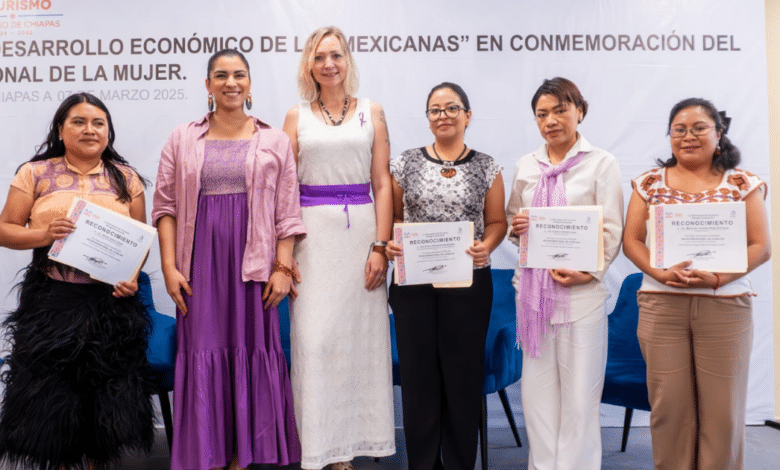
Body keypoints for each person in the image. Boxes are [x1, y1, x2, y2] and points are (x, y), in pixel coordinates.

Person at [152, 49, 304, 470]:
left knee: (250, 347)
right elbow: (165, 207)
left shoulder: (274, 140)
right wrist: (168, 267)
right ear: (208, 85)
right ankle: (208, 451)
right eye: (221, 76)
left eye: (239, 75)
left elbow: (288, 213)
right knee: (203, 347)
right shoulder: (181, 137)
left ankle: (244, 453)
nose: (230, 83)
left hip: (254, 266)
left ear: (250, 84)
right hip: (198, 264)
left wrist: (282, 267)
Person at [0, 93, 154, 470]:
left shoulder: (127, 178)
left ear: (108, 131)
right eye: (79, 121)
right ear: (60, 129)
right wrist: (43, 235)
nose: (90, 129)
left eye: (98, 123)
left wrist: (130, 278)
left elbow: (140, 240)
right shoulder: (34, 173)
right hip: (52, 300)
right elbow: (4, 230)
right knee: (53, 400)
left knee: (105, 400)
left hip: (111, 305)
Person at [623, 98, 770, 470]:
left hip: (726, 306)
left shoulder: (742, 182)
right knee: (669, 409)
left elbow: (761, 246)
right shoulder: (648, 183)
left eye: (699, 128)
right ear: (670, 136)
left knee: (723, 413)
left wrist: (719, 278)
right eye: (679, 129)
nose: (688, 136)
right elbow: (632, 241)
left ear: (718, 134)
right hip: (661, 304)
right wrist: (659, 273)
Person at [281, 26, 395, 470]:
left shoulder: (373, 111)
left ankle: (353, 447)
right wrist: (284, 253)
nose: (329, 64)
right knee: (314, 341)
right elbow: (285, 190)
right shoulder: (295, 116)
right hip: (312, 238)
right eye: (320, 56)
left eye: (337, 55)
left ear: (348, 60)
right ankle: (319, 449)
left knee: (359, 344)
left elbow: (383, 183)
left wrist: (380, 246)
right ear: (309, 65)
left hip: (362, 236)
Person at [386, 82, 507, 470]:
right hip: (414, 285)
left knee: (462, 377)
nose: (443, 116)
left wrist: (487, 246)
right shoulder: (404, 163)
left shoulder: (488, 166)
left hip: (468, 283)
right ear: (427, 118)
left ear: (467, 116)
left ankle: (458, 463)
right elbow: (394, 219)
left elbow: (497, 222)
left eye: (452, 108)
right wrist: (392, 242)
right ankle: (422, 463)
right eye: (435, 110)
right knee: (419, 379)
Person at [505, 77, 624, 470]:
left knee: (579, 399)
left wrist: (588, 272)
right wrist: (517, 226)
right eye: (542, 114)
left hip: (581, 297)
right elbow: (511, 220)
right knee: (537, 400)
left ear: (579, 111)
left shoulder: (601, 163)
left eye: (560, 110)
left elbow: (611, 228)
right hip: (535, 300)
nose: (551, 120)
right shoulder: (527, 165)